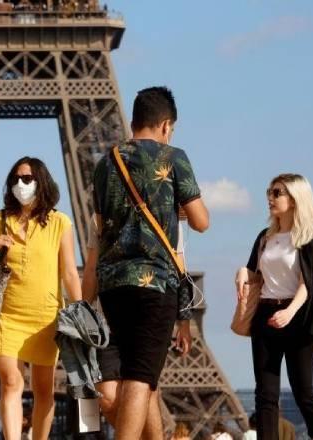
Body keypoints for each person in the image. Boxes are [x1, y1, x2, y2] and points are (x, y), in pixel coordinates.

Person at [92, 86, 209, 439]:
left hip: (113, 286)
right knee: (141, 377)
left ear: (132, 121)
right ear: (166, 124)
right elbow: (201, 221)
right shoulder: (173, 157)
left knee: (146, 377)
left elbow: (100, 228)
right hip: (154, 284)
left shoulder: (105, 163)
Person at [0, 156, 82, 440]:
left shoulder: (60, 223)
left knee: (44, 390)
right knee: (11, 383)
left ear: (41, 182)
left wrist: (81, 311)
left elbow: (70, 272)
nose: (20, 185)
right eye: (16, 179)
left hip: (45, 317)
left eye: (27, 179)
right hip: (8, 315)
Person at [235, 174, 313, 440]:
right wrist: (243, 272)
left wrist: (289, 313)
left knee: (303, 391)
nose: (270, 197)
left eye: (277, 192)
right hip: (265, 314)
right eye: (270, 191)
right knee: (265, 394)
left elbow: (308, 284)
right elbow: (256, 273)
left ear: (295, 198)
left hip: (299, 317)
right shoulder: (265, 237)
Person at [81, 213, 193, 428]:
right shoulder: (99, 217)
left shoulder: (164, 213)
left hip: (148, 314)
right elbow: (91, 269)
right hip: (108, 318)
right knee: (107, 397)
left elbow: (180, 269)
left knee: (144, 390)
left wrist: (185, 320)